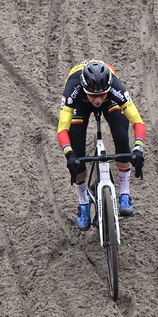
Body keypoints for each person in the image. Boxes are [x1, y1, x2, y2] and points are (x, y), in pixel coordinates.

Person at [57, 59, 146, 231]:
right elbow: (62, 129)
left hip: (110, 102)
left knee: (122, 136)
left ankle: (125, 193)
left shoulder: (115, 87)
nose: (97, 100)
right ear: (84, 88)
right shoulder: (73, 88)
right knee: (77, 152)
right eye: (93, 95)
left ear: (108, 88)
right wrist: (69, 155)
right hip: (80, 104)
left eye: (101, 94)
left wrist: (138, 148)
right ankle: (83, 203)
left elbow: (138, 122)